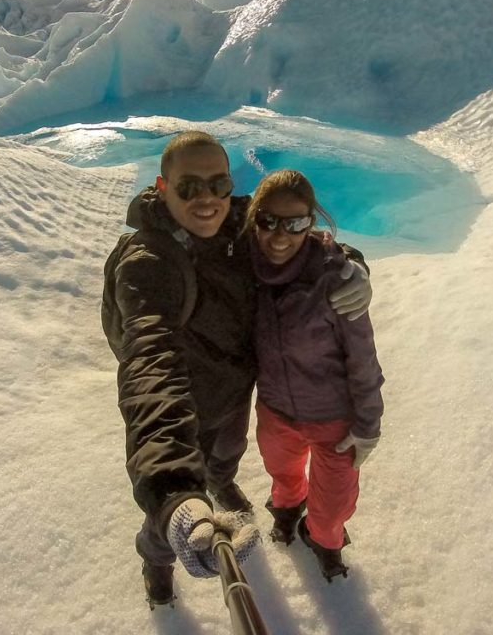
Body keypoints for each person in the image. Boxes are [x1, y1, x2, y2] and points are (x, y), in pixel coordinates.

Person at [102, 131, 373, 608]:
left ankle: (220, 480)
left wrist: (352, 264)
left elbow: (295, 237)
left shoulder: (235, 226)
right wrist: (173, 491)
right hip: (181, 412)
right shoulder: (149, 264)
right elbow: (150, 363)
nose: (206, 198)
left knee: (225, 458)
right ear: (163, 189)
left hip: (235, 397)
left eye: (218, 184)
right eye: (189, 187)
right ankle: (157, 561)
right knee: (178, 511)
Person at [247, 169, 385, 582]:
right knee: (284, 476)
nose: (279, 235)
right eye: (269, 221)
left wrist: (368, 425)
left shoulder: (335, 278)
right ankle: (287, 509)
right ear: (255, 217)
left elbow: (362, 357)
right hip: (275, 411)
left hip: (333, 420)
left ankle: (323, 537)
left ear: (311, 223)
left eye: (295, 223)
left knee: (333, 505)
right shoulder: (242, 267)